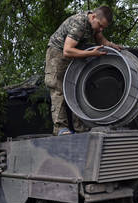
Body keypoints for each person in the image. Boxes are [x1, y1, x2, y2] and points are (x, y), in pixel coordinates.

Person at [45, 6, 122, 135]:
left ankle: (80, 127)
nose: (101, 29)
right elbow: (67, 50)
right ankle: (60, 128)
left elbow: (101, 40)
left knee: (76, 89)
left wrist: (114, 46)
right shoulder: (79, 23)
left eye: (103, 27)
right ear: (93, 17)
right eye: (100, 26)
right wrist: (91, 54)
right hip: (57, 54)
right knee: (58, 89)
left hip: (74, 54)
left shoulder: (94, 25)